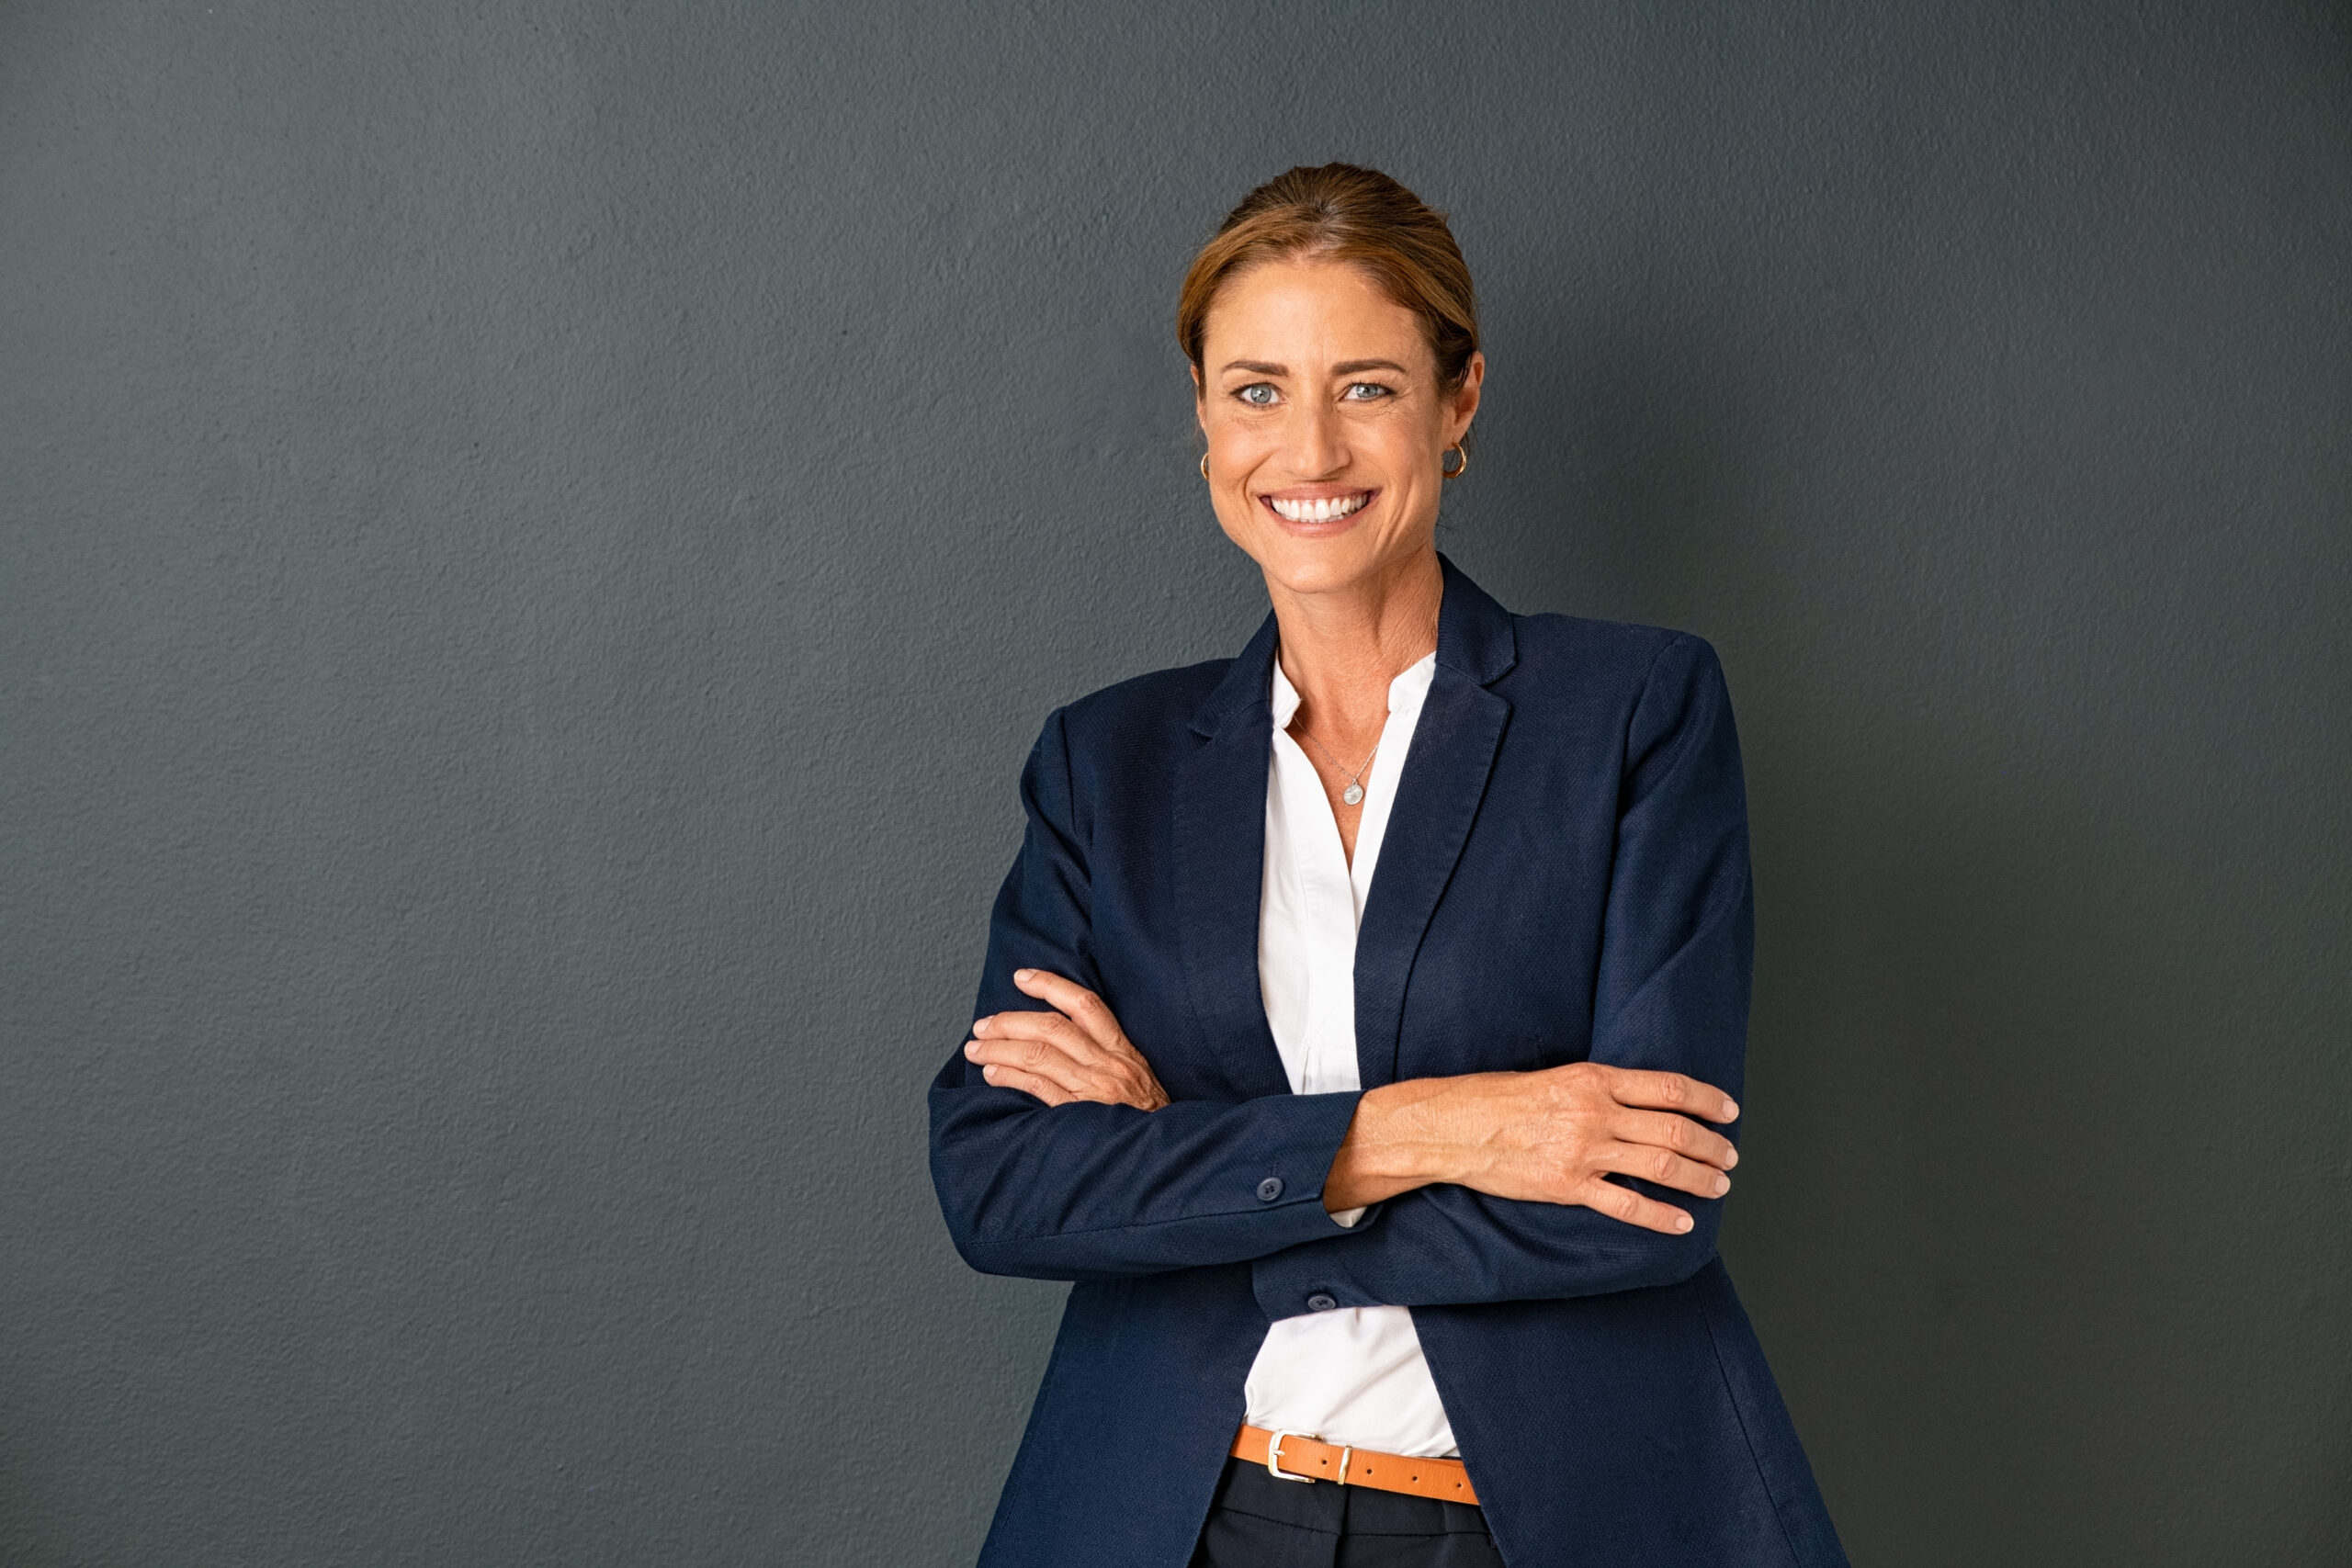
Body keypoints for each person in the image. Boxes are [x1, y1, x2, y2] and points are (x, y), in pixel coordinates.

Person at [929, 164, 1848, 1568]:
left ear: (1458, 400)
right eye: (1255, 390)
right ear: (1201, 415)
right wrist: (1446, 1131)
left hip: (1535, 1524)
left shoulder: (1633, 712)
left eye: (1364, 386)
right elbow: (1002, 1187)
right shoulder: (1105, 764)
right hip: (1176, 1515)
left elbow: (1655, 1200)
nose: (1308, 449)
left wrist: (1182, 1159)